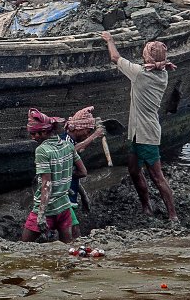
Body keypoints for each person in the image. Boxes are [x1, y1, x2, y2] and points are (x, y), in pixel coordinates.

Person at [100, 32, 178, 223]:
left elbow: (114, 58)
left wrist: (110, 40)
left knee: (157, 176)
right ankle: (146, 208)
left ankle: (172, 215)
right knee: (134, 170)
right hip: (137, 131)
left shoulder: (140, 74)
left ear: (148, 58)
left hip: (146, 134)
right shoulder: (163, 73)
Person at [21, 108, 87, 242]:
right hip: (64, 207)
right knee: (67, 249)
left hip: (48, 208)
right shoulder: (68, 146)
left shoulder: (42, 150)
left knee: (22, 247)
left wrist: (40, 215)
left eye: (34, 134)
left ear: (44, 132)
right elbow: (83, 172)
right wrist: (63, 179)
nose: (32, 137)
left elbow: (47, 185)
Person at [63, 106, 106, 238]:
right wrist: (94, 136)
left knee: (68, 234)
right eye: (87, 132)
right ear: (78, 128)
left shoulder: (71, 141)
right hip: (62, 198)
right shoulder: (64, 141)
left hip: (70, 196)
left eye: (89, 133)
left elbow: (73, 174)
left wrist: (84, 196)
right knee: (74, 234)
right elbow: (71, 150)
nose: (86, 135)